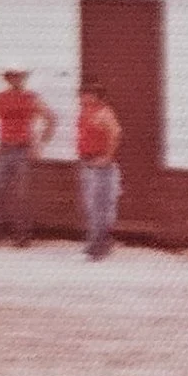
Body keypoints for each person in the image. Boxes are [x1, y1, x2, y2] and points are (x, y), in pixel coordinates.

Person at [0, 68, 58, 249]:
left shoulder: (31, 98)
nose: (15, 79)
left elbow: (51, 119)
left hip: (23, 150)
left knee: (22, 195)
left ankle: (22, 237)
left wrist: (40, 144)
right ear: (7, 79)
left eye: (18, 76)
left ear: (23, 78)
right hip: (4, 150)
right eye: (12, 76)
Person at [75, 80, 123, 261]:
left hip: (100, 164)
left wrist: (107, 157)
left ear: (97, 97)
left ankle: (98, 246)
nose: (84, 97)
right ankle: (99, 242)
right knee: (91, 205)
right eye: (83, 94)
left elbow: (116, 133)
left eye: (89, 94)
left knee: (99, 206)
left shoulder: (104, 112)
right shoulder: (85, 112)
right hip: (86, 162)